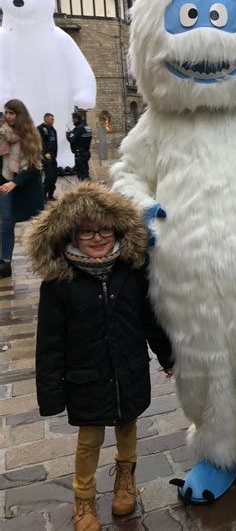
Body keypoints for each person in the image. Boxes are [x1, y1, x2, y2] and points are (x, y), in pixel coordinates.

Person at [26, 182, 174, 531]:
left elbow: (149, 319)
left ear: (117, 229)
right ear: (72, 234)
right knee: (90, 437)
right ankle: (84, 498)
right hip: (85, 377)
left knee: (127, 425)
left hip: (128, 368)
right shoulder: (60, 283)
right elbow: (49, 343)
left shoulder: (132, 271)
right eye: (87, 231)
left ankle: (126, 478)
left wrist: (167, 356)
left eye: (104, 230)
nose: (97, 238)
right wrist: (51, 393)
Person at [0, 99, 44, 279]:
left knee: (38, 222)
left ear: (19, 115)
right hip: (4, 180)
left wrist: (16, 182)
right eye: (6, 113)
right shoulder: (2, 133)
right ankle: (5, 262)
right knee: (6, 221)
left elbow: (35, 166)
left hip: (24, 182)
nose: (8, 116)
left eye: (11, 113)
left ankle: (46, 255)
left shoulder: (30, 135)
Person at [37, 112, 58, 200]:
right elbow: (38, 142)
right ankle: (43, 197)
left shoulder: (53, 129)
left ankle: (50, 195)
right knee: (48, 177)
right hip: (45, 157)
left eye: (53, 119)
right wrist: (44, 153)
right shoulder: (40, 129)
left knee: (54, 177)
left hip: (53, 157)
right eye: (51, 119)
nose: (53, 121)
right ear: (46, 119)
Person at [66, 111, 92, 181]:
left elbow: (72, 139)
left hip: (80, 154)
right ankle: (88, 187)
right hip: (86, 152)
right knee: (86, 172)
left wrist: (68, 134)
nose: (72, 121)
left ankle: (84, 189)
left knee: (81, 175)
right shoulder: (87, 127)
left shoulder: (78, 128)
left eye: (73, 119)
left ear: (76, 119)